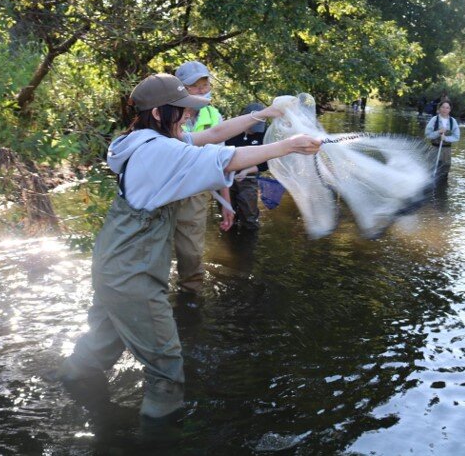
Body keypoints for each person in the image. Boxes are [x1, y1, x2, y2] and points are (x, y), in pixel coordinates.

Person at [54, 73, 321, 420]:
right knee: (166, 365)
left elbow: (212, 136)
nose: (188, 115)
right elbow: (227, 158)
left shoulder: (138, 140)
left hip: (111, 265)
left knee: (100, 344)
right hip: (133, 275)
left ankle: (69, 386)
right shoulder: (162, 150)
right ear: (157, 113)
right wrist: (288, 145)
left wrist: (264, 114)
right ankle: (158, 437)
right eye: (180, 109)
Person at [172, 60, 232, 291]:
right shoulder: (166, 113)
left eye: (205, 84)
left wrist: (226, 202)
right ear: (181, 89)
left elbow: (222, 162)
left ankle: (190, 295)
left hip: (195, 191)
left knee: (191, 251)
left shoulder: (214, 116)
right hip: (163, 188)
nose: (203, 90)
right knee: (153, 244)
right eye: (195, 86)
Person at [224, 102, 268, 231]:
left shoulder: (265, 135)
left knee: (249, 217)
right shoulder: (229, 131)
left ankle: (250, 244)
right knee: (228, 215)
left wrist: (246, 171)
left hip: (249, 178)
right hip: (226, 177)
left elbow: (266, 163)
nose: (254, 131)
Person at [424, 99, 460, 179]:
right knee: (431, 170)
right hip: (434, 149)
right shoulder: (434, 120)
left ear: (450, 110)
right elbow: (428, 135)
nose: (445, 109)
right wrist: (438, 132)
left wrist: (446, 138)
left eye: (447, 108)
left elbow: (456, 137)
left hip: (446, 151)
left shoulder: (452, 121)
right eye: (443, 107)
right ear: (439, 108)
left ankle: (442, 188)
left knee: (444, 173)